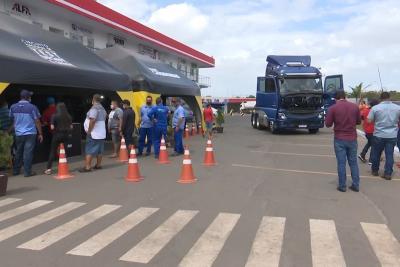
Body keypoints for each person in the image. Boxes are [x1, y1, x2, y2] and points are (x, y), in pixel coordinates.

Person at [325, 90, 361, 192]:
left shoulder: (333, 108)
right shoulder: (354, 107)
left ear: (335, 98)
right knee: (353, 163)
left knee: (341, 163)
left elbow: (327, 124)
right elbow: (358, 121)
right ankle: (356, 184)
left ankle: (342, 185)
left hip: (340, 138)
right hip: (352, 138)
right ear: (345, 97)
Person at [9, 89, 43, 177]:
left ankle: (16, 171)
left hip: (18, 134)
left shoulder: (13, 107)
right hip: (30, 133)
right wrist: (40, 133)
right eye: (30, 96)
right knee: (28, 153)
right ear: (28, 97)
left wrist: (10, 131)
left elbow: (12, 120)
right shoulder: (32, 107)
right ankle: (27, 172)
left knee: (18, 152)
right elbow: (37, 121)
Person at [368, 92, 400, 180]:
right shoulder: (397, 108)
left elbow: (369, 121)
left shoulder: (375, 108)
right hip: (392, 135)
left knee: (376, 154)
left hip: (379, 134)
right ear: (389, 97)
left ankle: (375, 170)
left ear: (380, 98)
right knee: (389, 155)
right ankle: (388, 173)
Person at [80, 94, 107, 172]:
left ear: (93, 100)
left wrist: (89, 130)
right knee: (100, 150)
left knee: (89, 149)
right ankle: (98, 165)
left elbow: (92, 120)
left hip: (94, 133)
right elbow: (105, 118)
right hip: (101, 132)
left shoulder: (94, 108)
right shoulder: (103, 109)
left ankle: (87, 167)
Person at [44, 103, 72, 175]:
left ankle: (48, 169)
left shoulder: (54, 116)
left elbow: (52, 127)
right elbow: (71, 127)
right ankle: (64, 166)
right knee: (64, 151)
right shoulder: (68, 116)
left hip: (57, 135)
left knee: (53, 151)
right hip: (66, 135)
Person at [358, 99, 379, 164]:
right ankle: (371, 160)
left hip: (366, 130)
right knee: (374, 145)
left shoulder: (365, 110)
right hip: (372, 130)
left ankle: (362, 155)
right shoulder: (374, 111)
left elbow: (361, 118)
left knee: (370, 143)